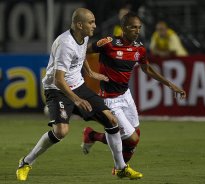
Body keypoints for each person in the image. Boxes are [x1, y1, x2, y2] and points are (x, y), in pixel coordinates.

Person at [16, 8, 142, 181]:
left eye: (94, 21)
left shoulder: (83, 36)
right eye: (91, 22)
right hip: (57, 89)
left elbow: (81, 55)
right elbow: (59, 79)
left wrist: (90, 72)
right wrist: (77, 100)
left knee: (111, 121)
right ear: (79, 24)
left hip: (78, 86)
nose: (94, 26)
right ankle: (26, 162)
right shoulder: (65, 44)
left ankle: (121, 168)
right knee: (61, 131)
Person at [81, 12, 186, 174]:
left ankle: (92, 136)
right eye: (133, 27)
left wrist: (170, 84)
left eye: (139, 28)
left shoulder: (139, 48)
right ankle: (120, 167)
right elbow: (82, 52)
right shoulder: (108, 43)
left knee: (135, 134)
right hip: (110, 99)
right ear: (123, 29)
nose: (137, 31)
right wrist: (89, 72)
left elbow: (147, 69)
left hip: (126, 96)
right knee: (132, 139)